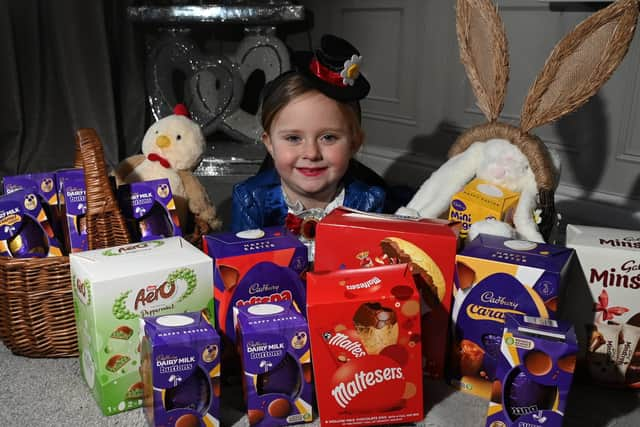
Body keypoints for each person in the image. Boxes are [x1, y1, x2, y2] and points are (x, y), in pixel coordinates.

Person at [231, 35, 386, 251]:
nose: (311, 153)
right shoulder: (251, 199)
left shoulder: (368, 201)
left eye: (328, 137)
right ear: (269, 144)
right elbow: (241, 265)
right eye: (293, 138)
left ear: (354, 143)